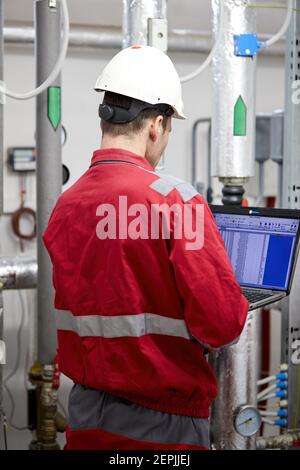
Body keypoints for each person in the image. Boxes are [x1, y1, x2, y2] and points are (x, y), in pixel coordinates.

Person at [43, 45, 249, 450]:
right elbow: (223, 325)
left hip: (85, 416)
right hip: (163, 427)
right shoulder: (177, 201)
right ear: (157, 125)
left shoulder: (66, 205)